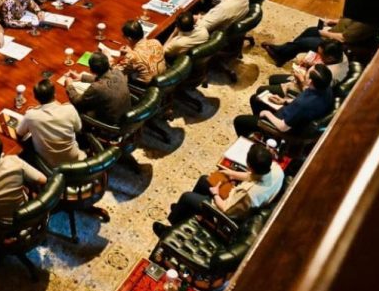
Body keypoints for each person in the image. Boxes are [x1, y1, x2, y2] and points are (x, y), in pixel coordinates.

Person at [155, 143, 284, 230]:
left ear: (250, 166)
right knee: (204, 180)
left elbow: (226, 210)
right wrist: (232, 173)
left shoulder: (249, 194)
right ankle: (186, 211)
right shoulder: (276, 169)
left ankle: (171, 227)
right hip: (239, 200)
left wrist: (215, 193)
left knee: (187, 197)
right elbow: (253, 176)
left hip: (227, 212)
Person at [233, 64, 334, 138]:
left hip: (284, 125)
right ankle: (259, 130)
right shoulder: (326, 89)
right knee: (255, 99)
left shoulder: (303, 104)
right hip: (296, 115)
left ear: (310, 81)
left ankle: (261, 129)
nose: (305, 73)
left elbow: (283, 127)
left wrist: (267, 113)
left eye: (307, 73)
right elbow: (303, 99)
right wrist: (284, 101)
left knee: (239, 121)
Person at [17, 79, 85, 168]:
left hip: (49, 163)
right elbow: (78, 128)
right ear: (54, 94)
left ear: (36, 98)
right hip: (73, 157)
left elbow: (19, 134)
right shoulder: (69, 109)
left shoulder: (31, 115)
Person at [262, 16, 379, 66]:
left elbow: (344, 38)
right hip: (334, 35)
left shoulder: (366, 23)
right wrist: (333, 21)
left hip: (337, 46)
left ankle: (282, 53)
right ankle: (283, 54)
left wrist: (322, 33)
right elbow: (348, 20)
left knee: (305, 42)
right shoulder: (362, 12)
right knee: (310, 31)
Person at [259, 40, 349, 98]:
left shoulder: (329, 75)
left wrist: (301, 80)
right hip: (305, 79)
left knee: (261, 90)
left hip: (301, 89)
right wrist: (311, 64)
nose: (319, 57)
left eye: (321, 55)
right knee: (272, 79)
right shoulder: (341, 55)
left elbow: (311, 95)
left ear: (330, 58)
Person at [65, 52, 131, 125]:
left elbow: (77, 103)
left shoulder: (96, 88)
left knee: (71, 107)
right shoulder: (117, 72)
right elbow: (105, 79)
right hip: (125, 112)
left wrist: (69, 86)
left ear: (91, 70)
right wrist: (81, 77)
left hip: (112, 122)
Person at [113, 20, 166, 85]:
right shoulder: (156, 42)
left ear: (129, 39)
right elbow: (143, 55)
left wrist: (120, 56)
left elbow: (115, 73)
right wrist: (132, 52)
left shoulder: (132, 57)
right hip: (163, 80)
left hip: (145, 87)